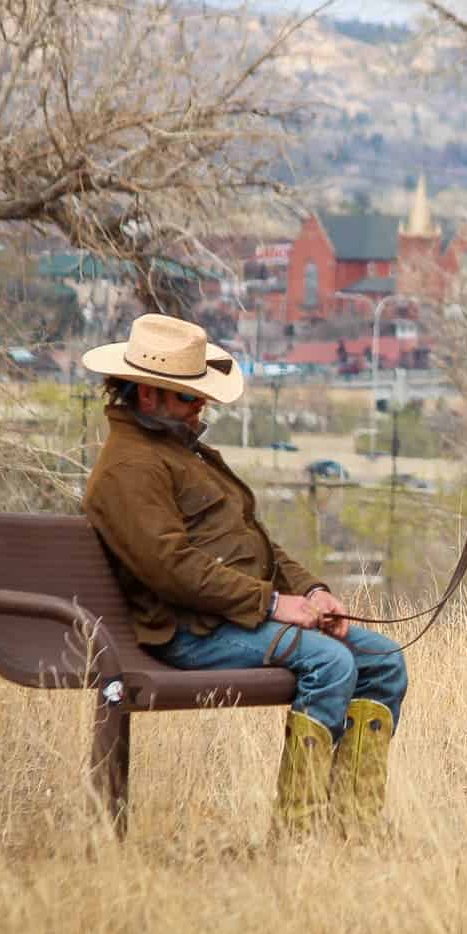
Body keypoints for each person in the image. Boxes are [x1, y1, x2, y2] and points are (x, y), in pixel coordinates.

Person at [80, 313, 407, 834]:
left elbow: (259, 546)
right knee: (330, 662)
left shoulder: (176, 452)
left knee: (383, 661)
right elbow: (172, 571)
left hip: (233, 620)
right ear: (148, 397)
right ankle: (299, 832)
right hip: (191, 632)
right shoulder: (129, 469)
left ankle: (353, 827)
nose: (200, 405)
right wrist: (276, 605)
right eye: (189, 397)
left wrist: (313, 591)